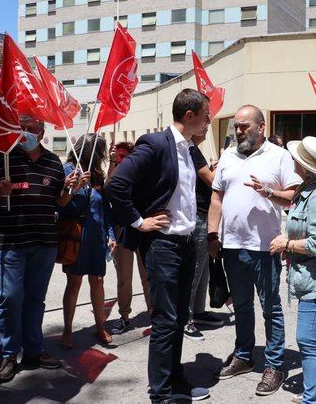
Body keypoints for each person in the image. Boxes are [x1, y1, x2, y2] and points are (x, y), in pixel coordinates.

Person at [107, 89, 211, 403]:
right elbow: (117, 185)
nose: (209, 121)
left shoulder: (190, 150)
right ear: (190, 116)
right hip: (163, 245)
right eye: (206, 115)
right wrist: (139, 222)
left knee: (179, 317)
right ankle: (161, 393)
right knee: (165, 319)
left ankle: (176, 382)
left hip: (186, 243)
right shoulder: (155, 144)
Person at [0, 115, 83, 382]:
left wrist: (71, 190)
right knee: (11, 299)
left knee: (36, 299)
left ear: (42, 131)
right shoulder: (0, 157)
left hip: (44, 243)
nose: (25, 133)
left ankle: (34, 350)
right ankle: (9, 354)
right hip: (10, 243)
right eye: (21, 128)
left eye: (31, 129)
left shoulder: (53, 162)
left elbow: (59, 200)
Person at [207, 105, 301, 396]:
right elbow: (217, 197)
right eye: (236, 126)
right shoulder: (228, 156)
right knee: (242, 306)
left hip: (266, 247)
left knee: (270, 306)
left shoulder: (279, 156)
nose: (238, 131)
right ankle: (244, 356)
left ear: (261, 127)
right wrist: (212, 234)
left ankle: (274, 364)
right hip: (233, 246)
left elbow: (295, 196)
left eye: (244, 126)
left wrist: (269, 193)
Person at [268, 136, 316, 404]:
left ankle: (312, 399)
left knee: (308, 341)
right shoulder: (310, 188)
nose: (292, 161)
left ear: (306, 166)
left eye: (296, 159)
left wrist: (285, 243)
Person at [60, 134, 116, 349]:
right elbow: (61, 203)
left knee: (98, 281)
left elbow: (104, 208)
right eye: (98, 151)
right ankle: (67, 330)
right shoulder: (68, 170)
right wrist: (74, 187)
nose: (99, 155)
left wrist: (111, 234)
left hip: (97, 236)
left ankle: (100, 326)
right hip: (76, 234)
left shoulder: (97, 175)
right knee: (74, 283)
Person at [107, 141, 152, 336]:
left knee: (148, 275)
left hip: (142, 229)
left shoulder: (141, 173)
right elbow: (109, 187)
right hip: (121, 230)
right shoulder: (115, 174)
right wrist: (111, 161)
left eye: (125, 157)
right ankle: (124, 316)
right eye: (119, 157)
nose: (122, 160)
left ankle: (154, 313)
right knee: (124, 278)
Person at [184, 134, 224, 341]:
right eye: (204, 122)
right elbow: (212, 180)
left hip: (204, 214)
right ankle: (186, 319)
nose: (207, 127)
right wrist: (221, 166)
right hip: (198, 215)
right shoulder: (190, 149)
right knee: (195, 269)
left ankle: (198, 312)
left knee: (204, 269)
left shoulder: (195, 150)